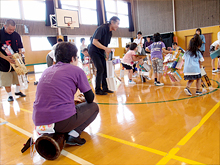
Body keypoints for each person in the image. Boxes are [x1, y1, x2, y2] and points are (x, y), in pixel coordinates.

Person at [33, 42, 99, 145]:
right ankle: (74, 135)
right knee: (94, 107)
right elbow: (90, 98)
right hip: (60, 122)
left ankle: (59, 132)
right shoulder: (77, 70)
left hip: (39, 122)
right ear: (73, 58)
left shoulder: (47, 70)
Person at [88, 16, 120, 95]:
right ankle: (98, 89)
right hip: (94, 50)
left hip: (100, 51)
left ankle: (105, 88)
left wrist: (106, 53)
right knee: (100, 68)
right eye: (117, 23)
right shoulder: (102, 28)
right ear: (112, 22)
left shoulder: (110, 32)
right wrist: (105, 49)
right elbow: (94, 42)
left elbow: (105, 44)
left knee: (105, 69)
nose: (118, 26)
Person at [0, 19, 26, 102]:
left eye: (13, 29)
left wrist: (19, 55)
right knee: (7, 79)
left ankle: (18, 91)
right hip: (3, 61)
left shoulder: (16, 35)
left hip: (15, 60)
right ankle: (10, 95)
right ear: (5, 26)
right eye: (10, 29)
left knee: (18, 76)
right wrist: (5, 57)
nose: (12, 31)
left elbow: (20, 47)